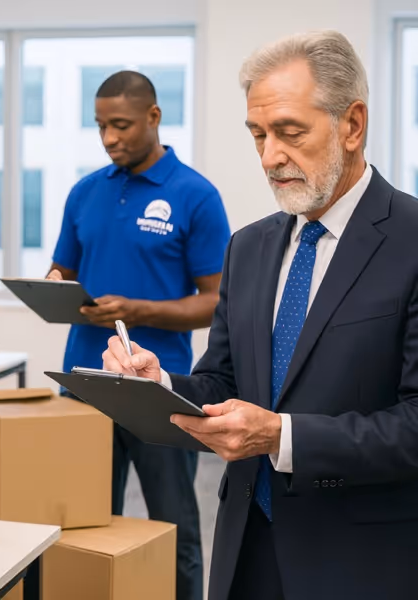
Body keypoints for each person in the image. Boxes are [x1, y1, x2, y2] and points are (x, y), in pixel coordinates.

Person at [103, 30, 418, 600]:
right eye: (258, 134)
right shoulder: (247, 249)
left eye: (290, 132)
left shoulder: (412, 241)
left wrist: (281, 435)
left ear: (352, 125)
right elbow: (223, 382)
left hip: (362, 561)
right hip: (247, 549)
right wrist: (160, 385)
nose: (271, 156)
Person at [48, 71, 231, 600]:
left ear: (153, 117)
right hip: (85, 384)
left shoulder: (195, 195)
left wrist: (140, 310)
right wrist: (54, 287)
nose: (109, 138)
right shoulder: (84, 192)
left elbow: (217, 300)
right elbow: (61, 269)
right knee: (84, 526)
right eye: (101, 126)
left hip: (160, 390)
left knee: (172, 527)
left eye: (121, 125)